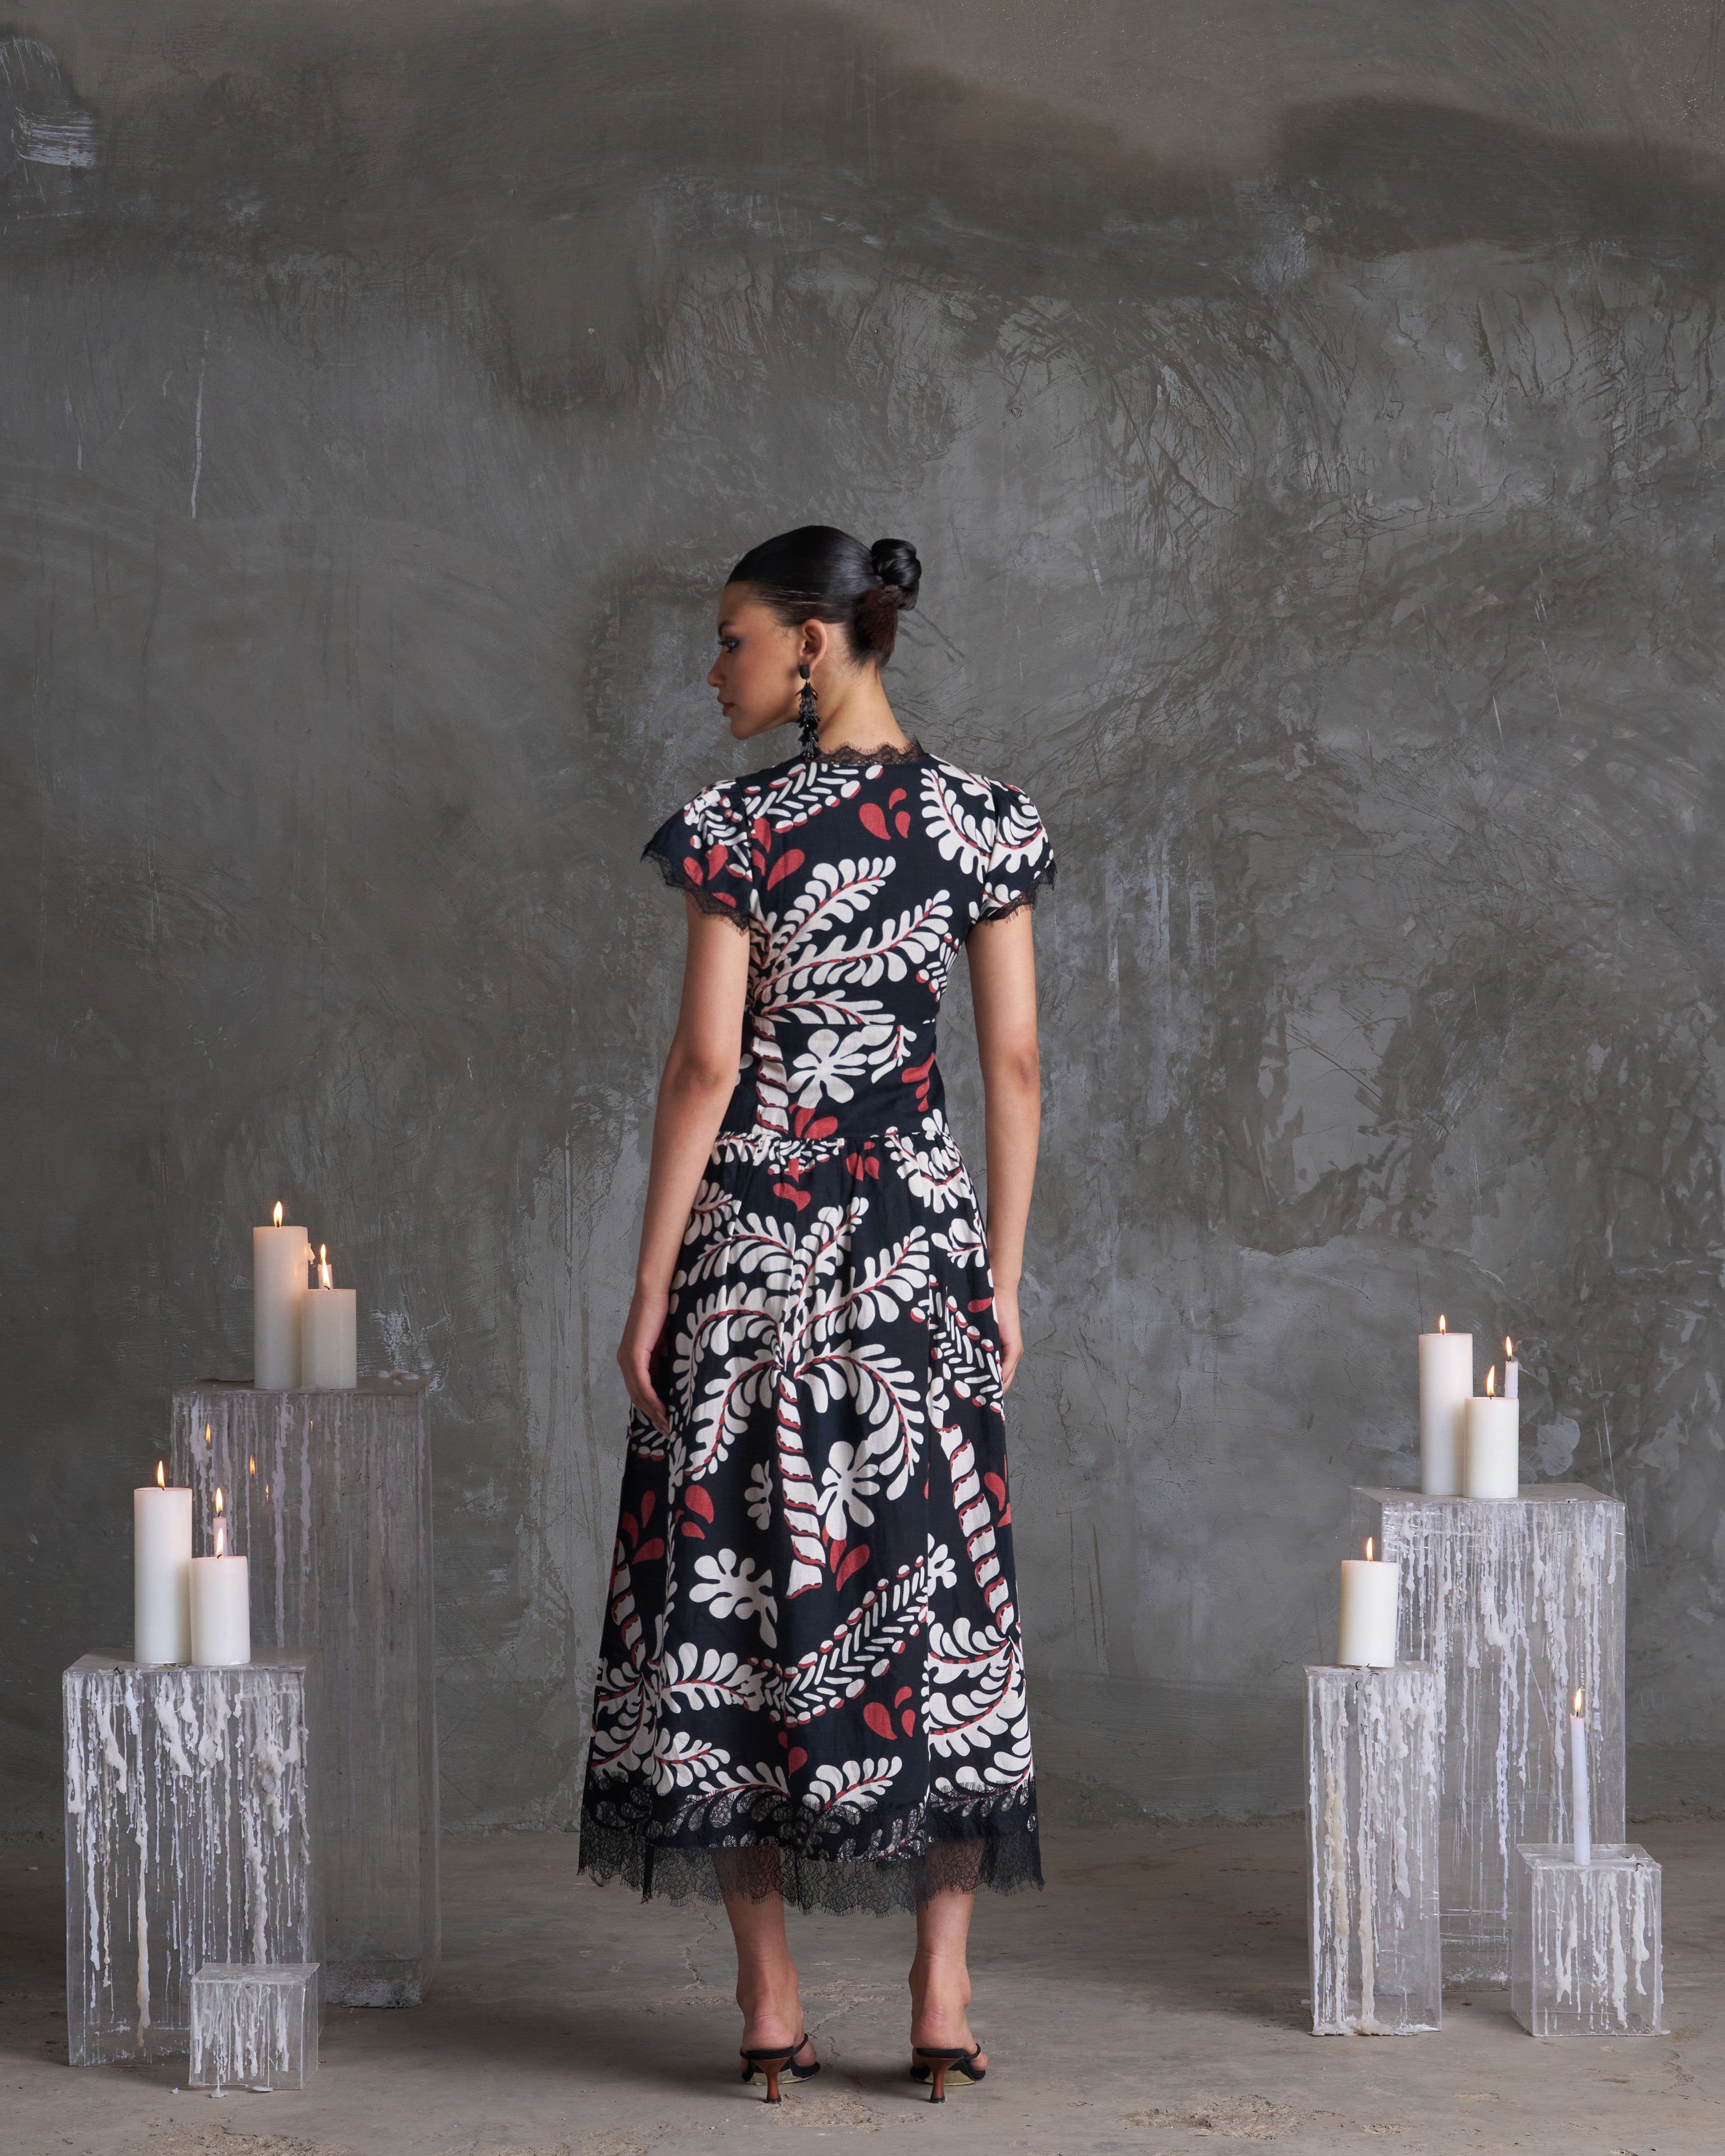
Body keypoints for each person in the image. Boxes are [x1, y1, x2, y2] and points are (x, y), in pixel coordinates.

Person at [578, 525, 1054, 2104]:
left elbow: (706, 1066)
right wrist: (999, 1274)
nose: (713, 668)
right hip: (916, 1250)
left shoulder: (737, 828)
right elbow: (1014, 1066)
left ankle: (767, 1996)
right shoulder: (980, 820)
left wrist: (650, 1283)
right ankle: (941, 1986)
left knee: (729, 1595)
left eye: (731, 638)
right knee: (937, 1591)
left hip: (754, 1252)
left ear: (810, 641)